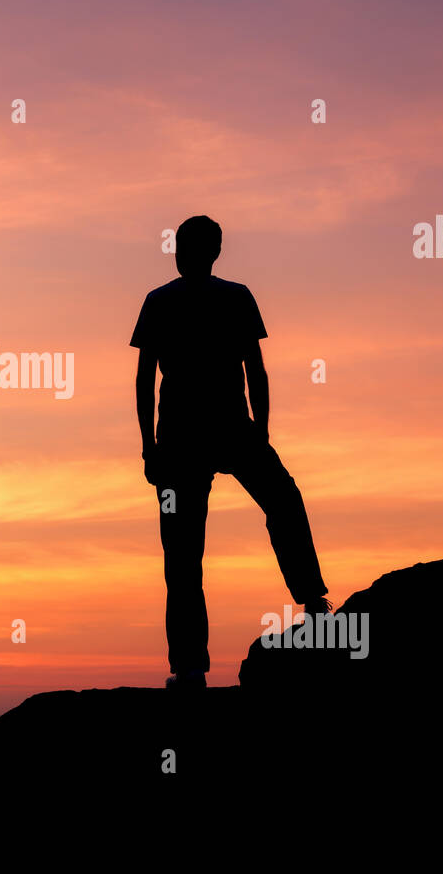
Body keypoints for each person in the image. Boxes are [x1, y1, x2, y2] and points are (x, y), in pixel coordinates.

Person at [131, 215, 331, 689]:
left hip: (204, 435)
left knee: (191, 549)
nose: (180, 252)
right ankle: (191, 666)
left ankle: (309, 602)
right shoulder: (171, 300)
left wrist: (258, 431)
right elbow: (148, 379)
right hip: (195, 438)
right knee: (189, 551)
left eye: (186, 245)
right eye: (178, 244)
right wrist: (149, 448)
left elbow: (251, 369)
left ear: (209, 251)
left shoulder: (214, 298)